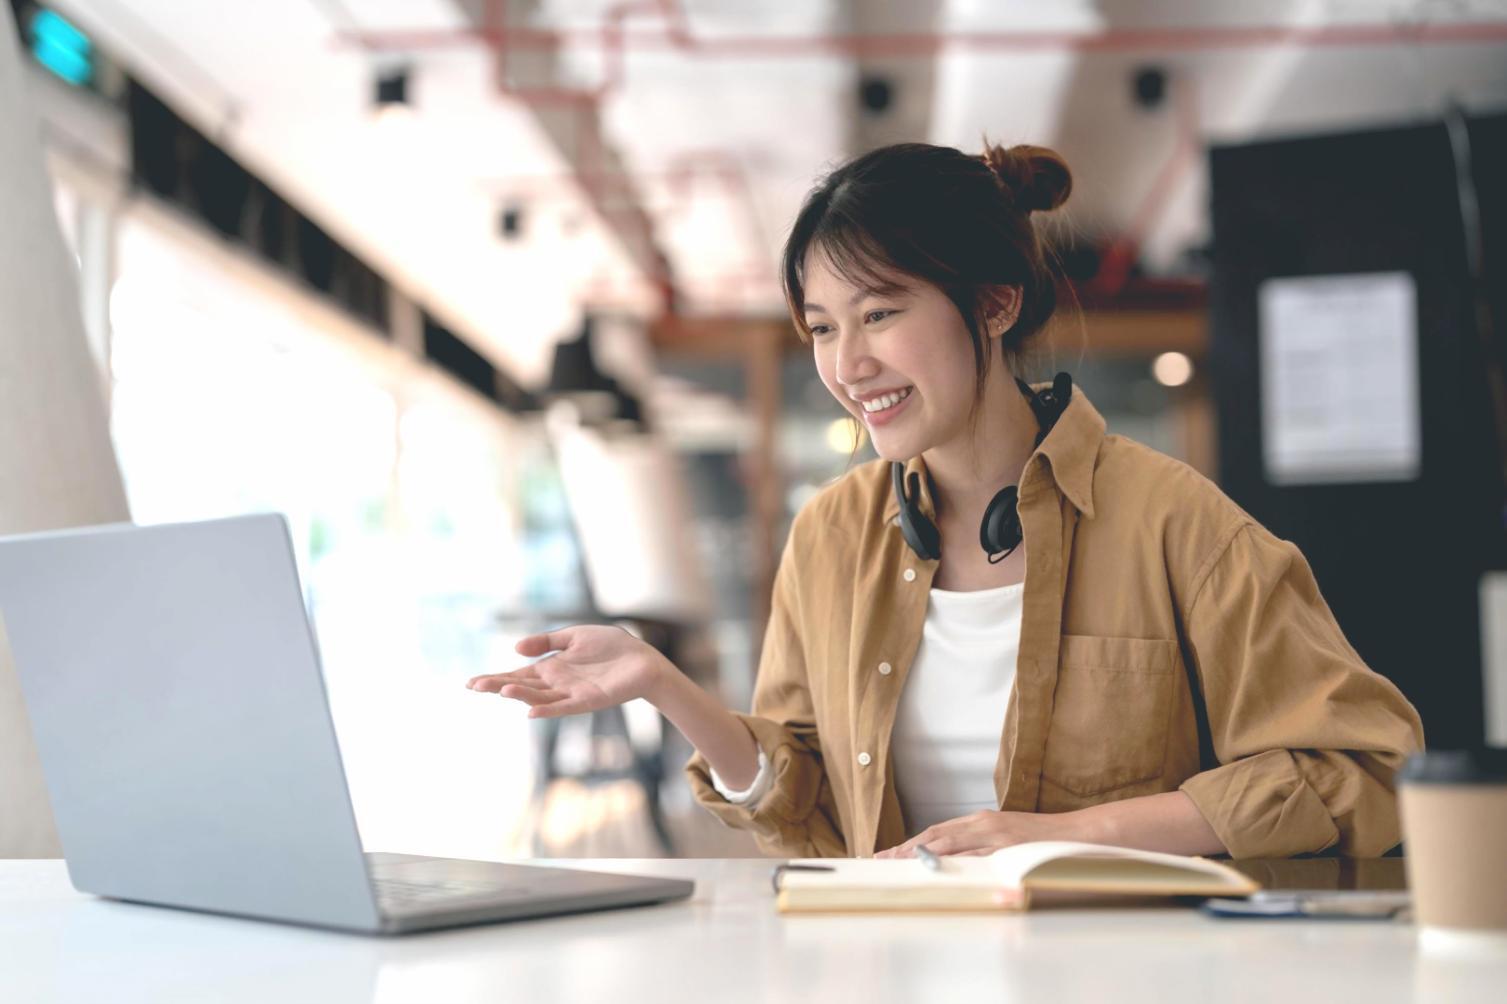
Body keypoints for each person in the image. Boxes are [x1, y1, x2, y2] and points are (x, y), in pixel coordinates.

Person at [466, 139, 1425, 860]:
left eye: (881, 313)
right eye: (820, 327)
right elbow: (803, 804)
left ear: (994, 304)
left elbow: (1363, 771)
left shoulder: (1178, 524)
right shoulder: (832, 535)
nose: (847, 365)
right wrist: (663, 687)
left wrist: (1072, 835)